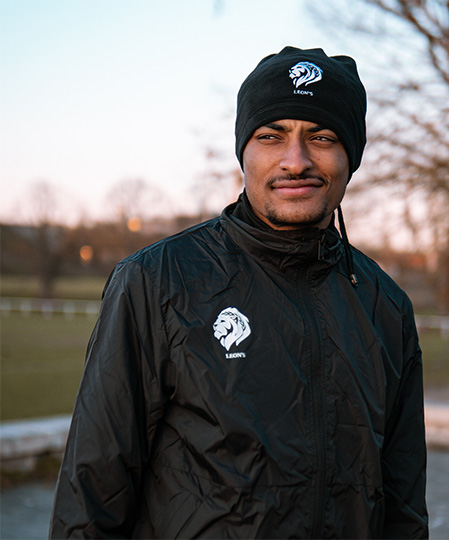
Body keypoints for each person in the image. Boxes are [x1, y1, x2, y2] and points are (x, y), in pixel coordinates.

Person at [50, 46, 428, 539]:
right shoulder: (158, 281)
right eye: (271, 136)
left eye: (322, 137)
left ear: (350, 157)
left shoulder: (386, 307)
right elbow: (92, 495)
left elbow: (404, 509)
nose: (296, 161)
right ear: (243, 152)